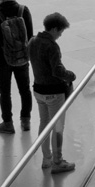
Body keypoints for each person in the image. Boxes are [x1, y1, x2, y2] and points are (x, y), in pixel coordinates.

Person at [28, 12, 76, 175]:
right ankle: (58, 161)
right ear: (55, 28)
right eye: (61, 31)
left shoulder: (33, 41)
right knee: (57, 127)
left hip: (38, 90)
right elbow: (57, 71)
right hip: (54, 93)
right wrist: (71, 75)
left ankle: (46, 159)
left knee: (44, 124)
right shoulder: (52, 46)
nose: (61, 35)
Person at [0, 0, 34, 134]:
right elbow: (30, 35)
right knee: (25, 89)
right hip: (21, 58)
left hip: (2, 60)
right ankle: (25, 120)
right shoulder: (23, 10)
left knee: (5, 92)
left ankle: (8, 123)